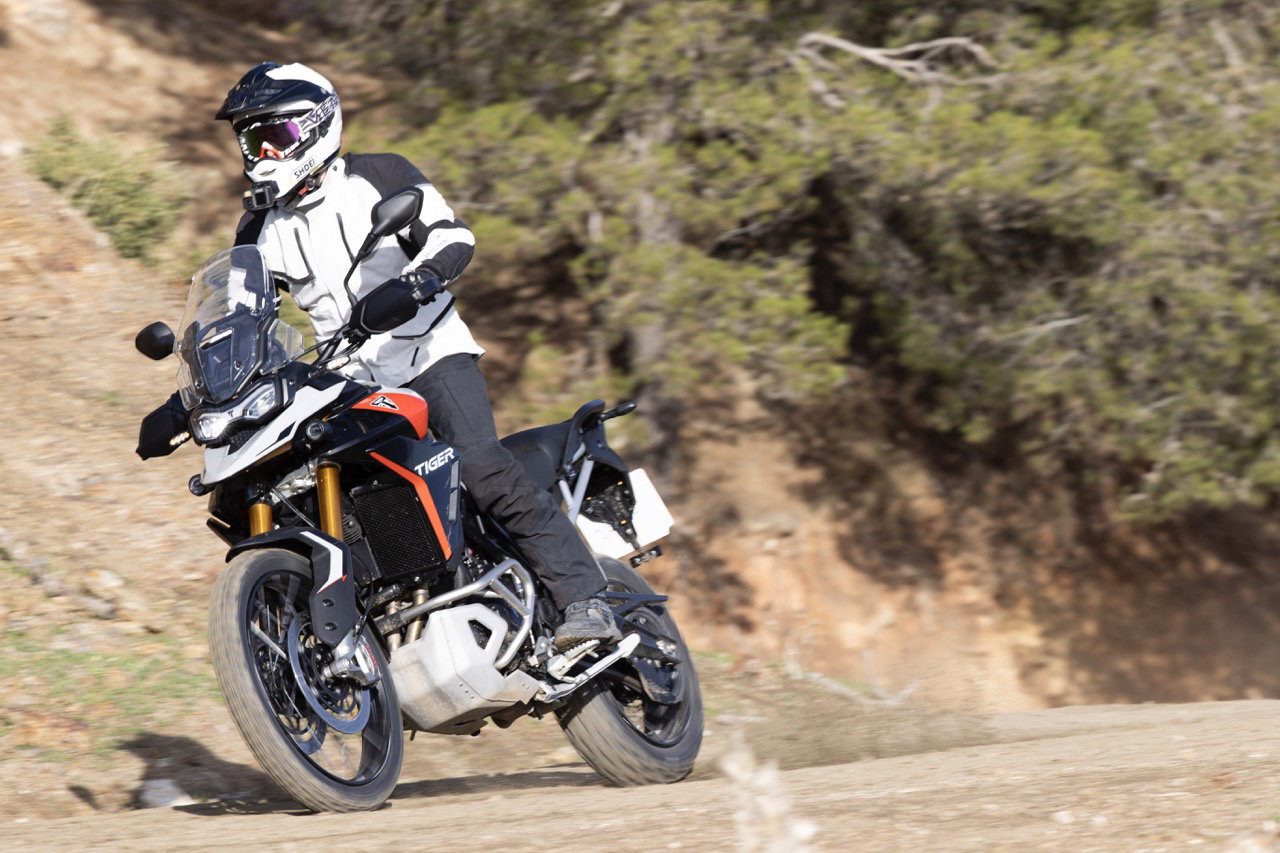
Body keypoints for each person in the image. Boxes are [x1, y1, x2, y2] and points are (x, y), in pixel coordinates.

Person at [213, 61, 618, 650]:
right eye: (254, 141)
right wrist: (195, 393)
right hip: (347, 379)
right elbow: (239, 315)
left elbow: (454, 237)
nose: (265, 156)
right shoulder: (257, 230)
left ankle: (587, 599)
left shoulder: (377, 176)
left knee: (479, 465)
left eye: (278, 138)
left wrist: (417, 281)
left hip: (428, 353)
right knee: (328, 490)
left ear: (319, 125)